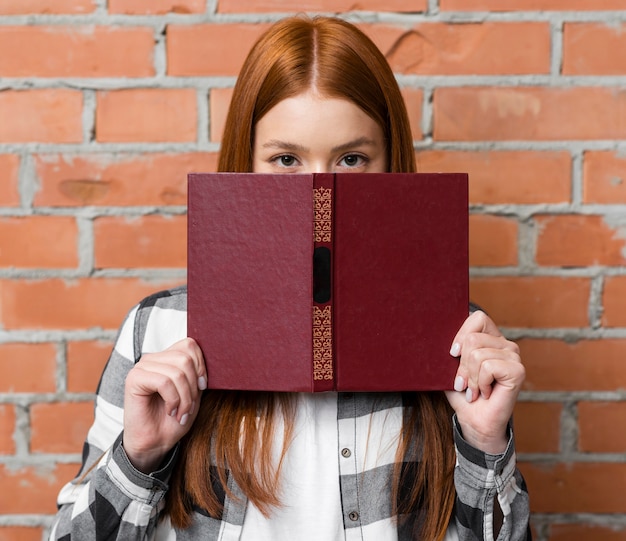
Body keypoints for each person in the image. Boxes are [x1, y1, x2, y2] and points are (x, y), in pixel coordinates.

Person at [51, 15, 530, 541]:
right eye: (285, 158)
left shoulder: (452, 340)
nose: (318, 191)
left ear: (392, 166)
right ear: (245, 164)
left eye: (352, 158)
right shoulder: (158, 330)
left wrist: (485, 447)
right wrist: (140, 457)